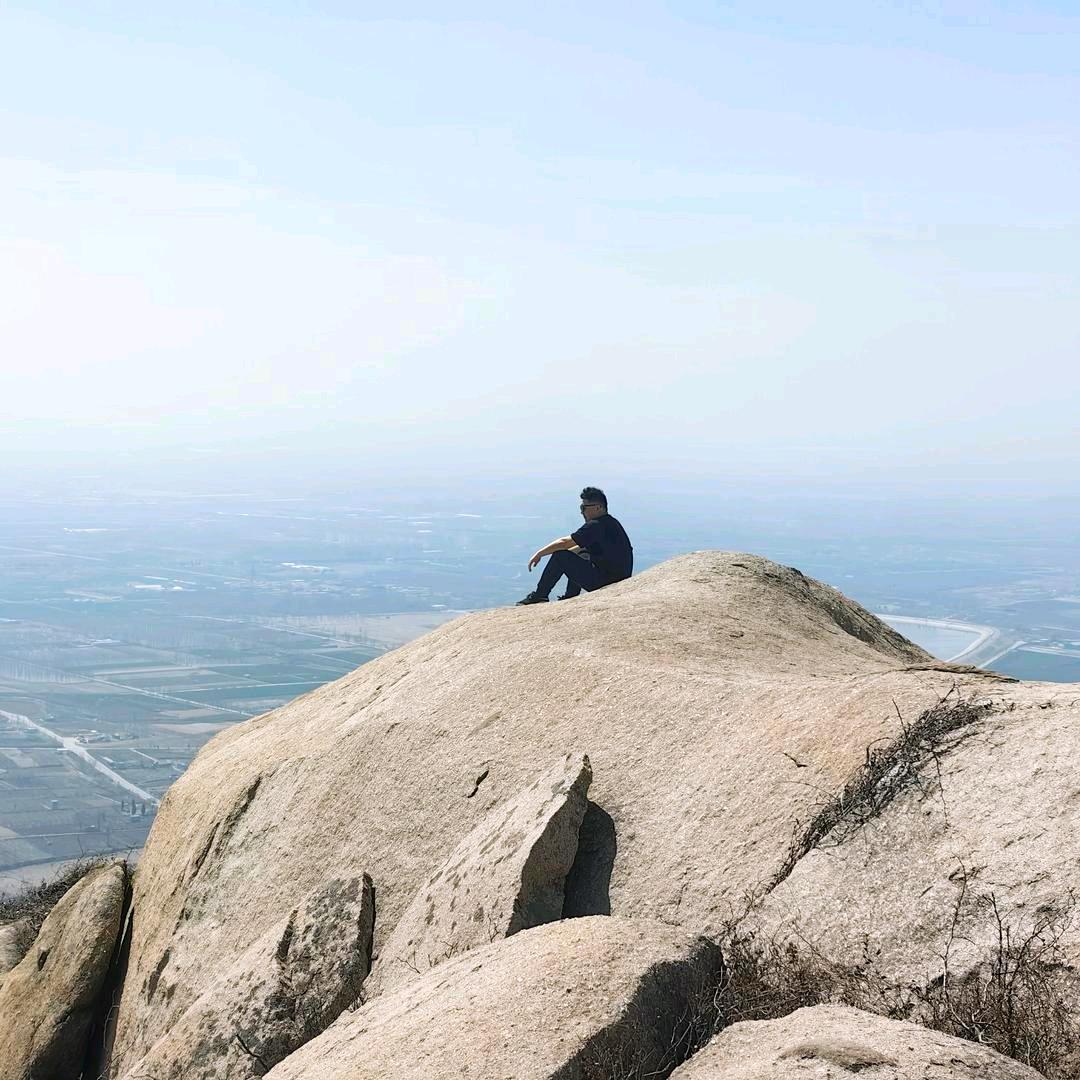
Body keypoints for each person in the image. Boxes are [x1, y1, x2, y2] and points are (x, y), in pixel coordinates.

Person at [517, 486, 633, 605]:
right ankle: (570, 597)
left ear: (598, 507)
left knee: (560, 556)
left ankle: (540, 595)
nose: (582, 511)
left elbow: (564, 543)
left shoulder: (596, 525)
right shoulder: (611, 523)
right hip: (617, 579)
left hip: (606, 582)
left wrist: (539, 554)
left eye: (584, 507)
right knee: (579, 553)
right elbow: (579, 548)